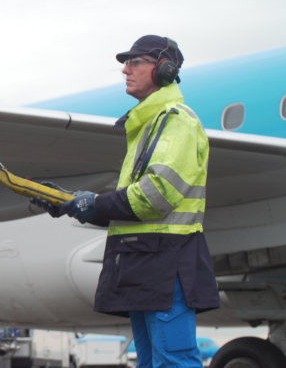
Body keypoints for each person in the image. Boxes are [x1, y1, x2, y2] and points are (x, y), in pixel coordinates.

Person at [29, 35, 220, 367]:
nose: (125, 70)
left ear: (164, 70)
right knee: (151, 361)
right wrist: (73, 202)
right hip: (144, 261)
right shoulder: (148, 125)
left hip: (167, 262)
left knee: (173, 360)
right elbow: (130, 207)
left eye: (135, 62)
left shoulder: (176, 121)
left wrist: (92, 204)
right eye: (124, 64)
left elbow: (155, 196)